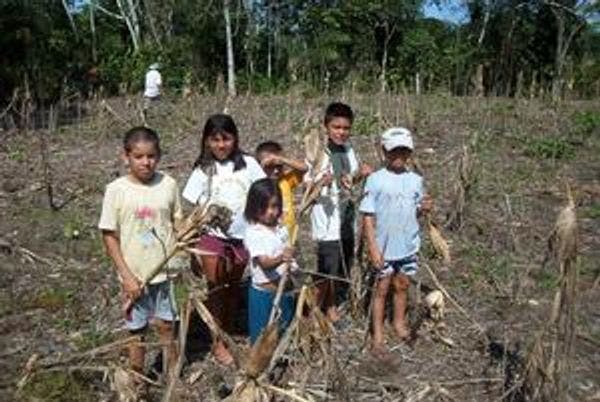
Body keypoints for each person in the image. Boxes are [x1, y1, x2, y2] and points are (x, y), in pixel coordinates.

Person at [99, 126, 181, 386]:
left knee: (167, 326)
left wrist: (188, 239)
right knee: (137, 331)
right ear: (126, 157)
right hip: (134, 276)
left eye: (152, 156)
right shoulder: (116, 190)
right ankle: (137, 379)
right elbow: (109, 236)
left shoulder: (168, 184)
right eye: (139, 156)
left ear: (158, 156)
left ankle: (172, 377)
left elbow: (177, 222)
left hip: (167, 271)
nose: (146, 162)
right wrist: (127, 276)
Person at [182, 113, 265, 365]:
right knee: (216, 290)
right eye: (215, 139)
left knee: (231, 289)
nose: (221, 145)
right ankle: (217, 341)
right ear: (207, 141)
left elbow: (263, 191)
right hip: (212, 238)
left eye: (226, 139)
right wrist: (192, 245)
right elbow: (193, 208)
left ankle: (226, 332)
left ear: (235, 139)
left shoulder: (248, 164)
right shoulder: (203, 169)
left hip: (242, 238)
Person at [359, 127, 433, 357]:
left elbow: (416, 211)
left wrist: (424, 209)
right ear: (384, 151)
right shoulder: (375, 180)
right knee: (381, 289)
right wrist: (373, 247)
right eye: (394, 151)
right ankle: (378, 336)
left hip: (408, 244)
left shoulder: (415, 181)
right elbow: (368, 216)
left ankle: (399, 323)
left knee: (402, 285)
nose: (399, 156)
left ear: (410, 152)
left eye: (404, 151)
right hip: (384, 247)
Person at [305, 102, 372, 322]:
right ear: (326, 127)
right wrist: (322, 182)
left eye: (345, 128)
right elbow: (308, 183)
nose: (341, 132)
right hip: (327, 222)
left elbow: (348, 182)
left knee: (343, 262)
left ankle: (327, 303)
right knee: (328, 267)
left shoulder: (349, 150)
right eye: (336, 127)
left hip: (347, 218)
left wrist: (360, 174)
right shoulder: (318, 153)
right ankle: (323, 308)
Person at [243, 178, 298, 344]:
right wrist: (282, 258)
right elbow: (265, 263)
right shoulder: (254, 233)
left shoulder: (281, 229)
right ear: (253, 208)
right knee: (263, 337)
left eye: (274, 206)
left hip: (284, 290)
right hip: (264, 295)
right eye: (264, 207)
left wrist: (293, 266)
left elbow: (288, 253)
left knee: (284, 332)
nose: (270, 212)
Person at [255, 141, 307, 236]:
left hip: (288, 236)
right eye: (270, 167)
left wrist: (281, 159)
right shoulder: (257, 186)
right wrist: (260, 168)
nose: (275, 170)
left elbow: (304, 169)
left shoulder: (285, 181)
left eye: (278, 166)